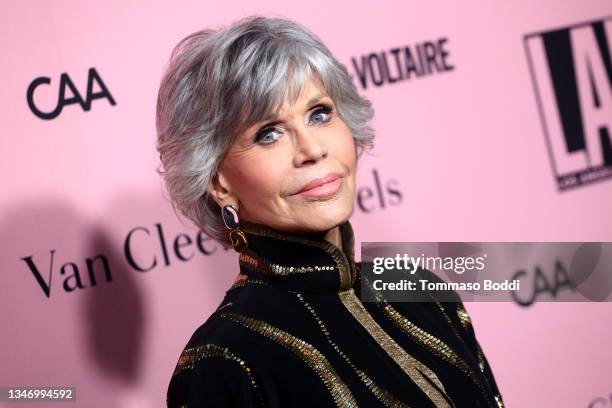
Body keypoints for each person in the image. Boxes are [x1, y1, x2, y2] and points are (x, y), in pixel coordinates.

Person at [155, 14, 505, 408]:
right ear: (219, 182)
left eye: (319, 114)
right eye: (268, 133)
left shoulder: (420, 292)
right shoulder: (222, 364)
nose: (312, 149)